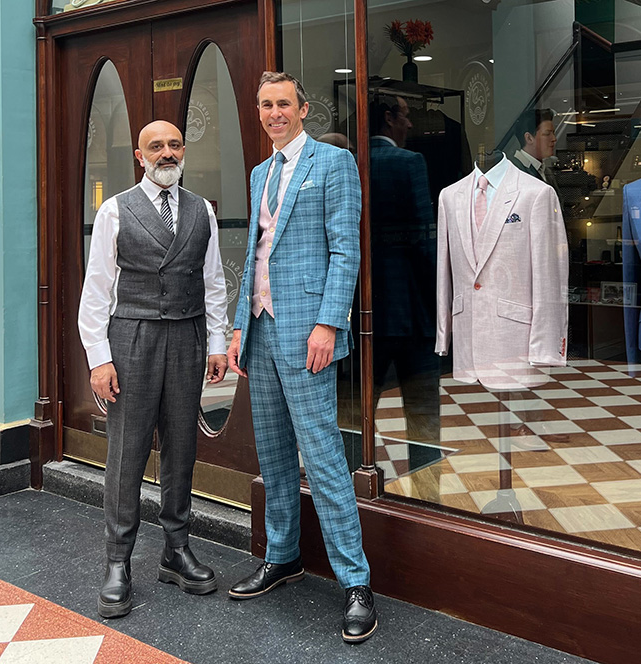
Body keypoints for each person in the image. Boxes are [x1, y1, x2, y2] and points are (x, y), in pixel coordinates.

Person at [226, 71, 376, 643]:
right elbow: (256, 255)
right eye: (266, 105)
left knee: (324, 456)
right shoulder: (259, 172)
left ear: (303, 109)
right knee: (273, 453)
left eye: (283, 104)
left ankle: (356, 582)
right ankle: (283, 555)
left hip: (308, 333)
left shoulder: (333, 164)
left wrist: (328, 323)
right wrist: (239, 326)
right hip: (261, 331)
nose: (274, 113)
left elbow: (345, 251)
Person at [78, 120, 229, 619]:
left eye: (174, 145)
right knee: (128, 450)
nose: (167, 153)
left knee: (182, 446)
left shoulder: (202, 210)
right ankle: (117, 561)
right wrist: (99, 358)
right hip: (133, 338)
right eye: (156, 146)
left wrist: (217, 343)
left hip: (187, 337)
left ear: (183, 152)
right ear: (140, 157)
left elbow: (213, 283)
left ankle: (176, 550)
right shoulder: (114, 209)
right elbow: (97, 290)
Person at [368, 95, 441, 470]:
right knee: (422, 408)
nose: (410, 124)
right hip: (411, 307)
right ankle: (425, 486)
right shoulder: (410, 162)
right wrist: (437, 300)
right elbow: (425, 239)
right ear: (388, 118)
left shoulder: (353, 162)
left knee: (360, 408)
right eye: (406, 116)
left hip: (364, 309)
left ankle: (360, 478)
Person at [509, 108, 558, 184]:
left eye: (553, 133)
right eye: (547, 134)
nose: (554, 139)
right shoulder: (515, 171)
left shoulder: (545, 171)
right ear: (529, 138)